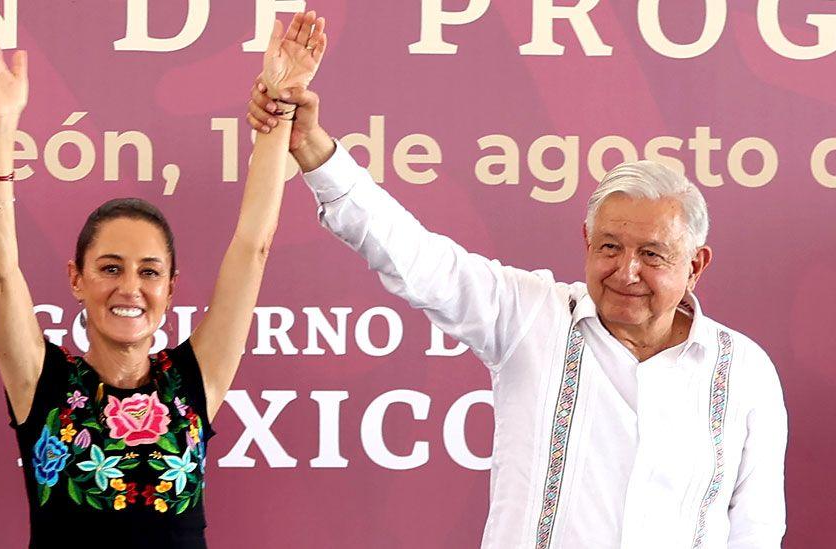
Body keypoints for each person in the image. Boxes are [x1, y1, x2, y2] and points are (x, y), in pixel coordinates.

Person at [246, 81, 787, 547]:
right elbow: (415, 257)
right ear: (585, 242)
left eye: (651, 255)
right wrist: (314, 148)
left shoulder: (745, 371)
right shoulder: (532, 317)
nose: (626, 273)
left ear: (696, 265)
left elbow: (756, 530)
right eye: (609, 248)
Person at [0, 12, 326, 548]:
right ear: (76, 279)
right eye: (110, 268)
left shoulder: (196, 379)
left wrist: (279, 105)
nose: (130, 288)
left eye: (149, 272)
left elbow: (253, 247)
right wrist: (0, 124)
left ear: (170, 288)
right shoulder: (42, 383)